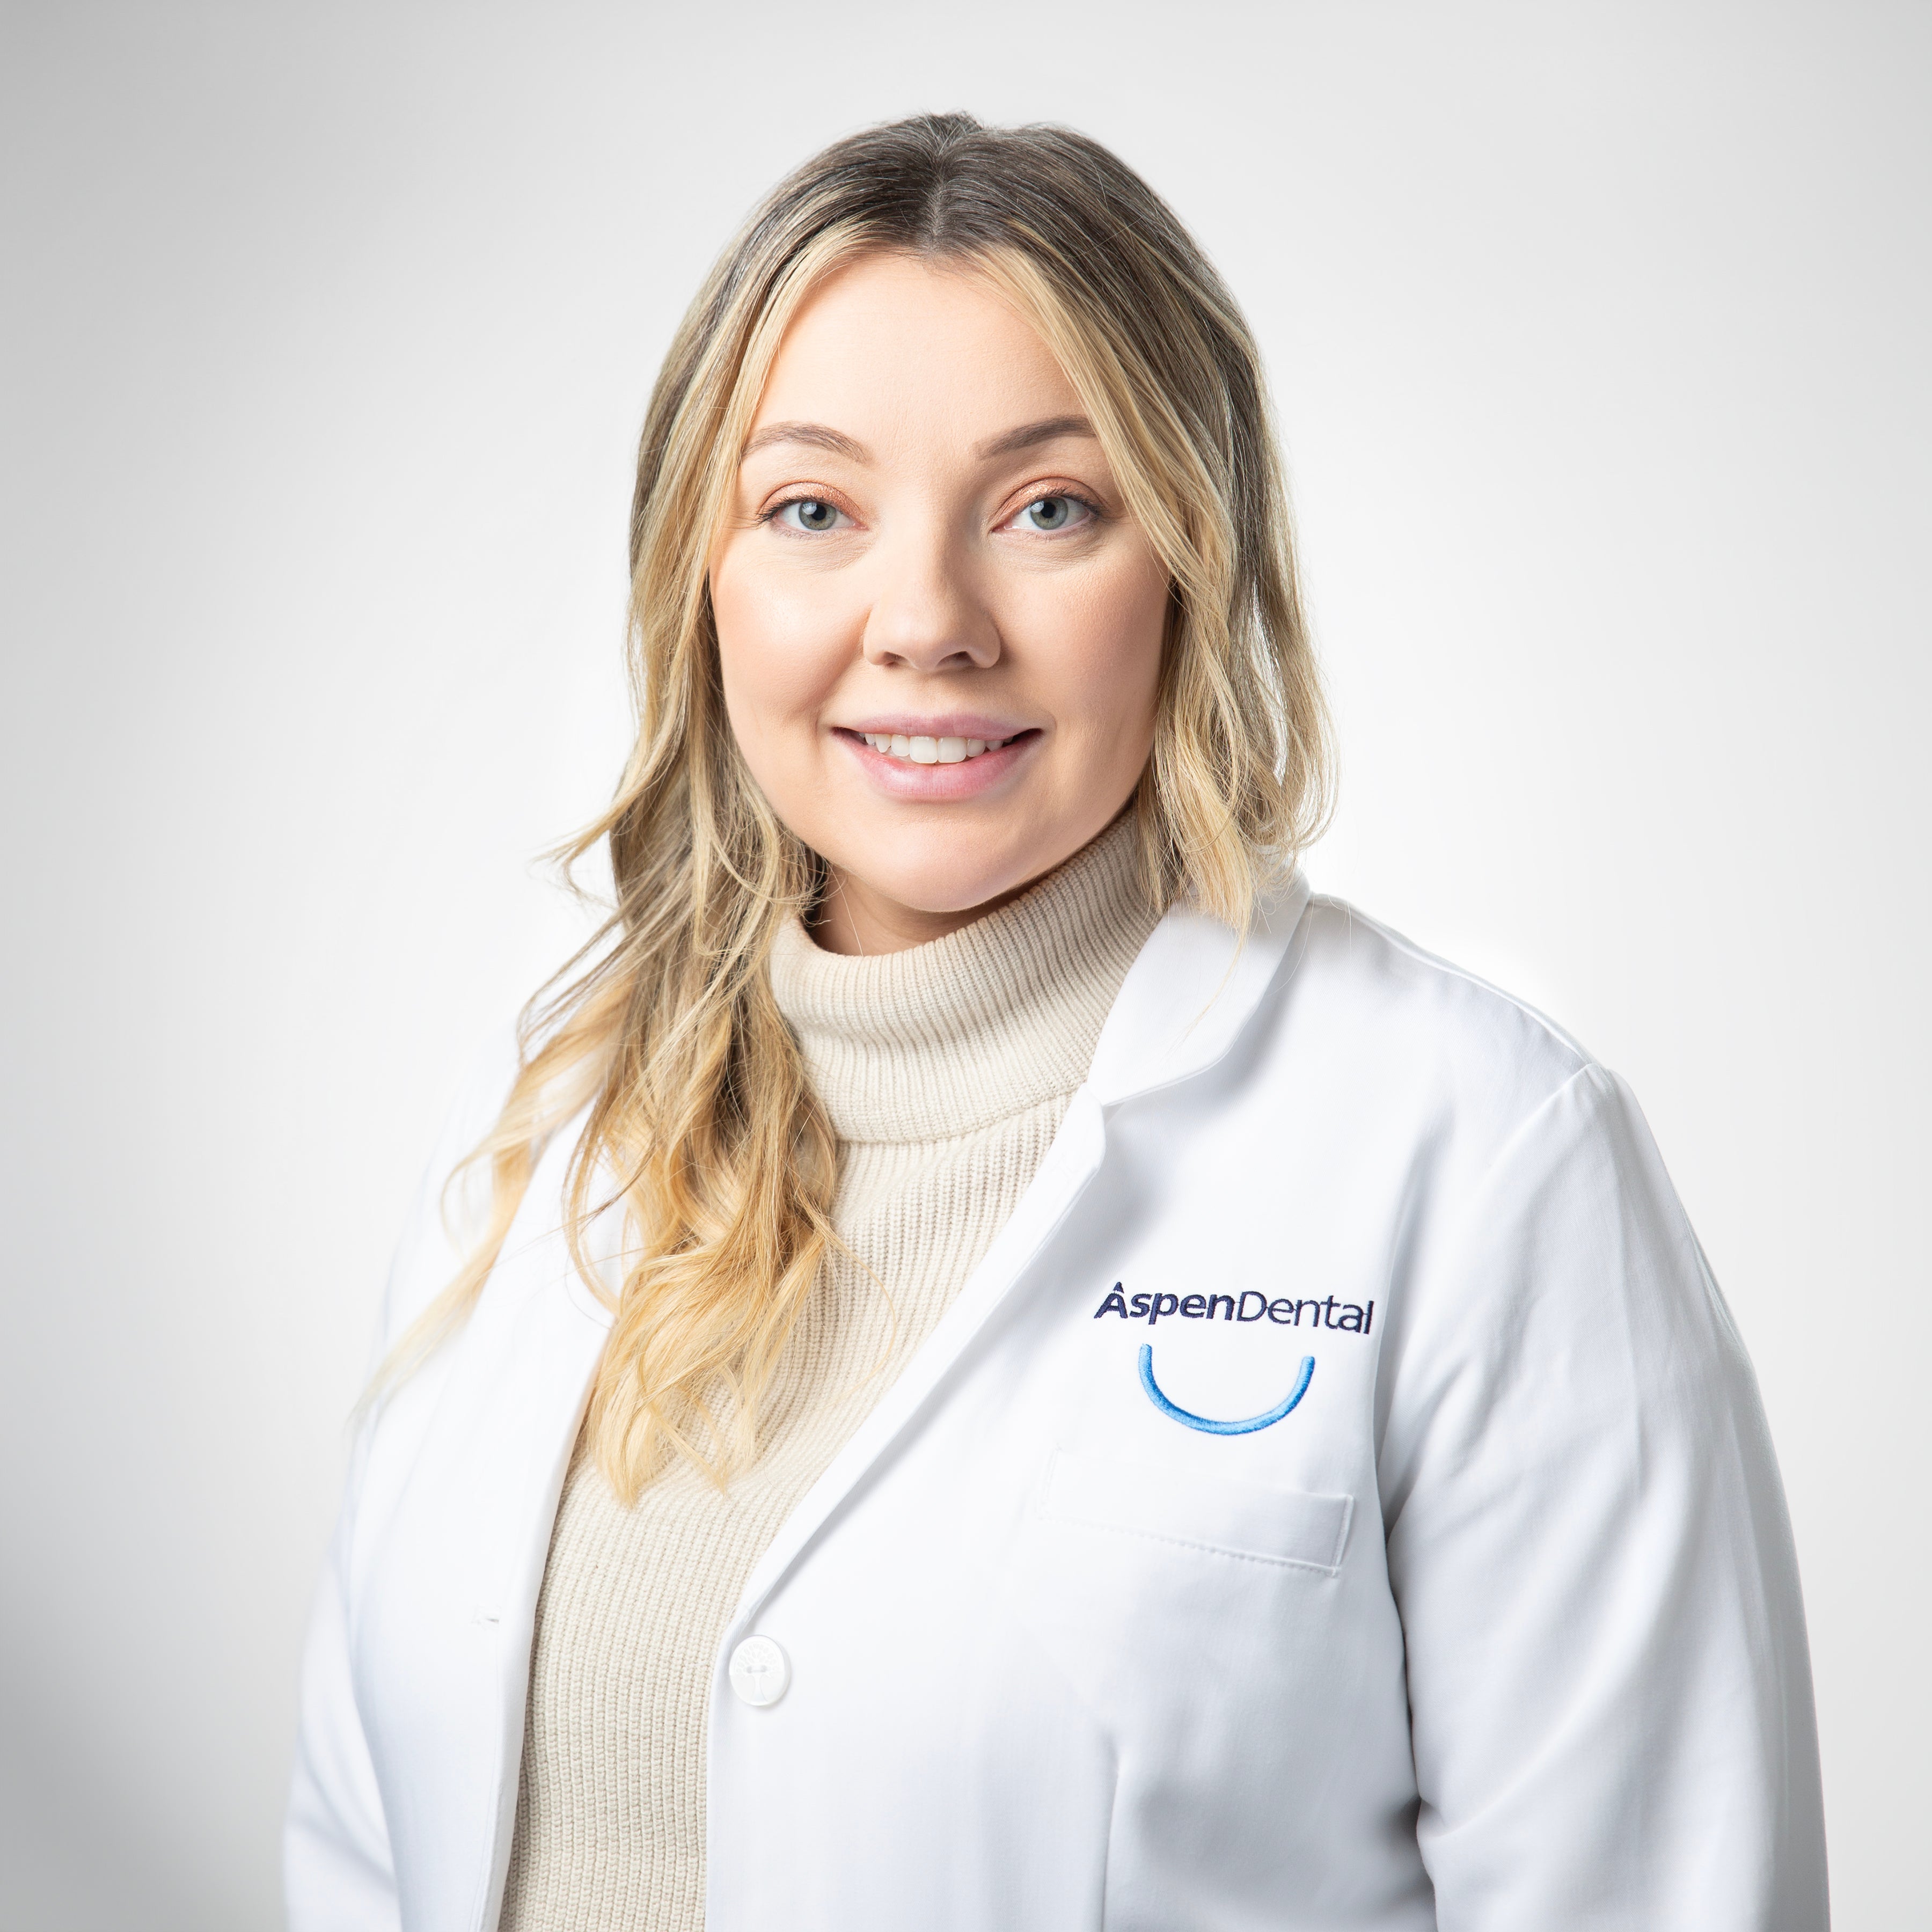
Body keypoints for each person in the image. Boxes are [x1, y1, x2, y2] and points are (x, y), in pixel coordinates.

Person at [285, 113, 1827, 1932]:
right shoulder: (543, 1131)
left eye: (1048, 509)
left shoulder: (1483, 1160)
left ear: (1190, 559)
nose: (927, 622)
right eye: (812, 510)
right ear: (701, 575)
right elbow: (363, 1854)